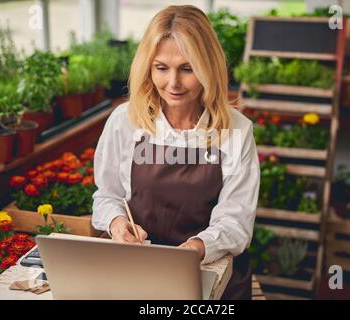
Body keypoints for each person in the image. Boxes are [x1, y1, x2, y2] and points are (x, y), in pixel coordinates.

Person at [92, 5, 260, 299]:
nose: (173, 83)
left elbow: (236, 221)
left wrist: (195, 248)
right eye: (161, 68)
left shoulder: (236, 130)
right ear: (147, 67)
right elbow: (107, 196)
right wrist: (118, 224)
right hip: (140, 274)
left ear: (208, 67)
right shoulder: (125, 121)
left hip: (212, 277)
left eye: (187, 68)